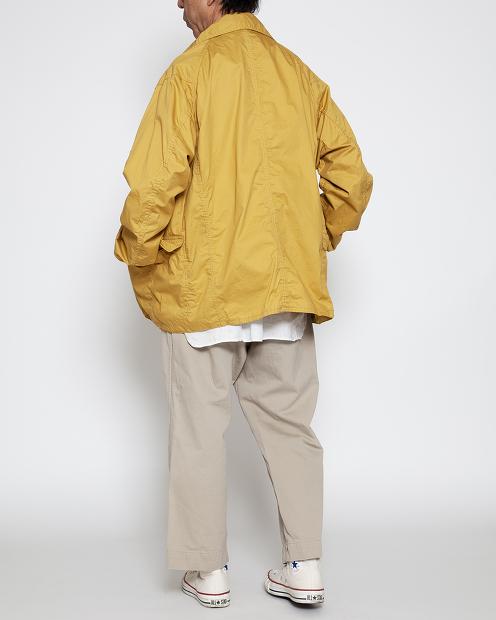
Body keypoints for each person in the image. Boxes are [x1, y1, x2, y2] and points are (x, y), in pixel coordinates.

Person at [114, 0, 373, 608]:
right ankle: (304, 565)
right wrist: (308, 239)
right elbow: (351, 177)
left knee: (200, 431)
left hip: (204, 293)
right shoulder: (297, 73)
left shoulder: (188, 73)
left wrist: (140, 256)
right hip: (284, 292)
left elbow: (153, 186)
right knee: (290, 426)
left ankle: (209, 572)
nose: (179, 5)